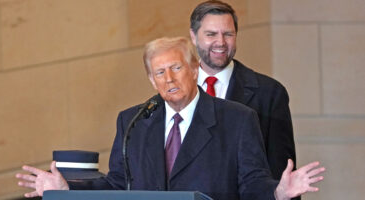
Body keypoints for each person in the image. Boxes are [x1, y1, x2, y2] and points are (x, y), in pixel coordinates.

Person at [16, 37, 324, 200]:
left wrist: (278, 192)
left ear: (193, 71)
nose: (169, 78)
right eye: (159, 72)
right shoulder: (134, 121)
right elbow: (118, 184)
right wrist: (66, 191)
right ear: (151, 80)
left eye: (176, 68)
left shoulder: (237, 119)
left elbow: (252, 182)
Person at [190, 0, 296, 181]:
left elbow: (282, 173)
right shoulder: (177, 91)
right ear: (193, 36)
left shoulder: (269, 93)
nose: (220, 42)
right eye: (211, 34)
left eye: (228, 34)